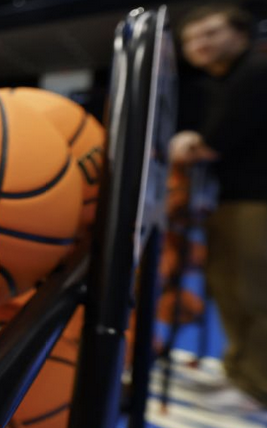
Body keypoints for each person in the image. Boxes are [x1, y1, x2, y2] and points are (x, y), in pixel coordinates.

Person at [171, 3, 267, 411]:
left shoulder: (256, 71)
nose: (199, 43)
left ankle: (258, 387)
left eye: (210, 33)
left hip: (256, 200)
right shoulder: (226, 81)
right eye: (190, 39)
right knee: (231, 289)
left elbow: (214, 142)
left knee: (255, 293)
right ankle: (240, 375)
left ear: (241, 33)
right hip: (234, 199)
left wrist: (192, 144)